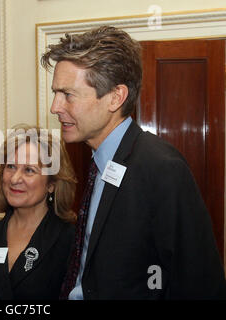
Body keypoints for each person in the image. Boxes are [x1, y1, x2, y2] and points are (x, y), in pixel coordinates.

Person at [41, 25, 226, 299]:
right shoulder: (94, 163)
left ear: (115, 97)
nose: (55, 107)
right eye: (56, 93)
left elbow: (200, 284)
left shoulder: (162, 169)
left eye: (67, 94)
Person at [0, 125, 77, 299]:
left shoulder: (70, 241)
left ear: (51, 184)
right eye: (11, 166)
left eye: (29, 170)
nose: (14, 179)